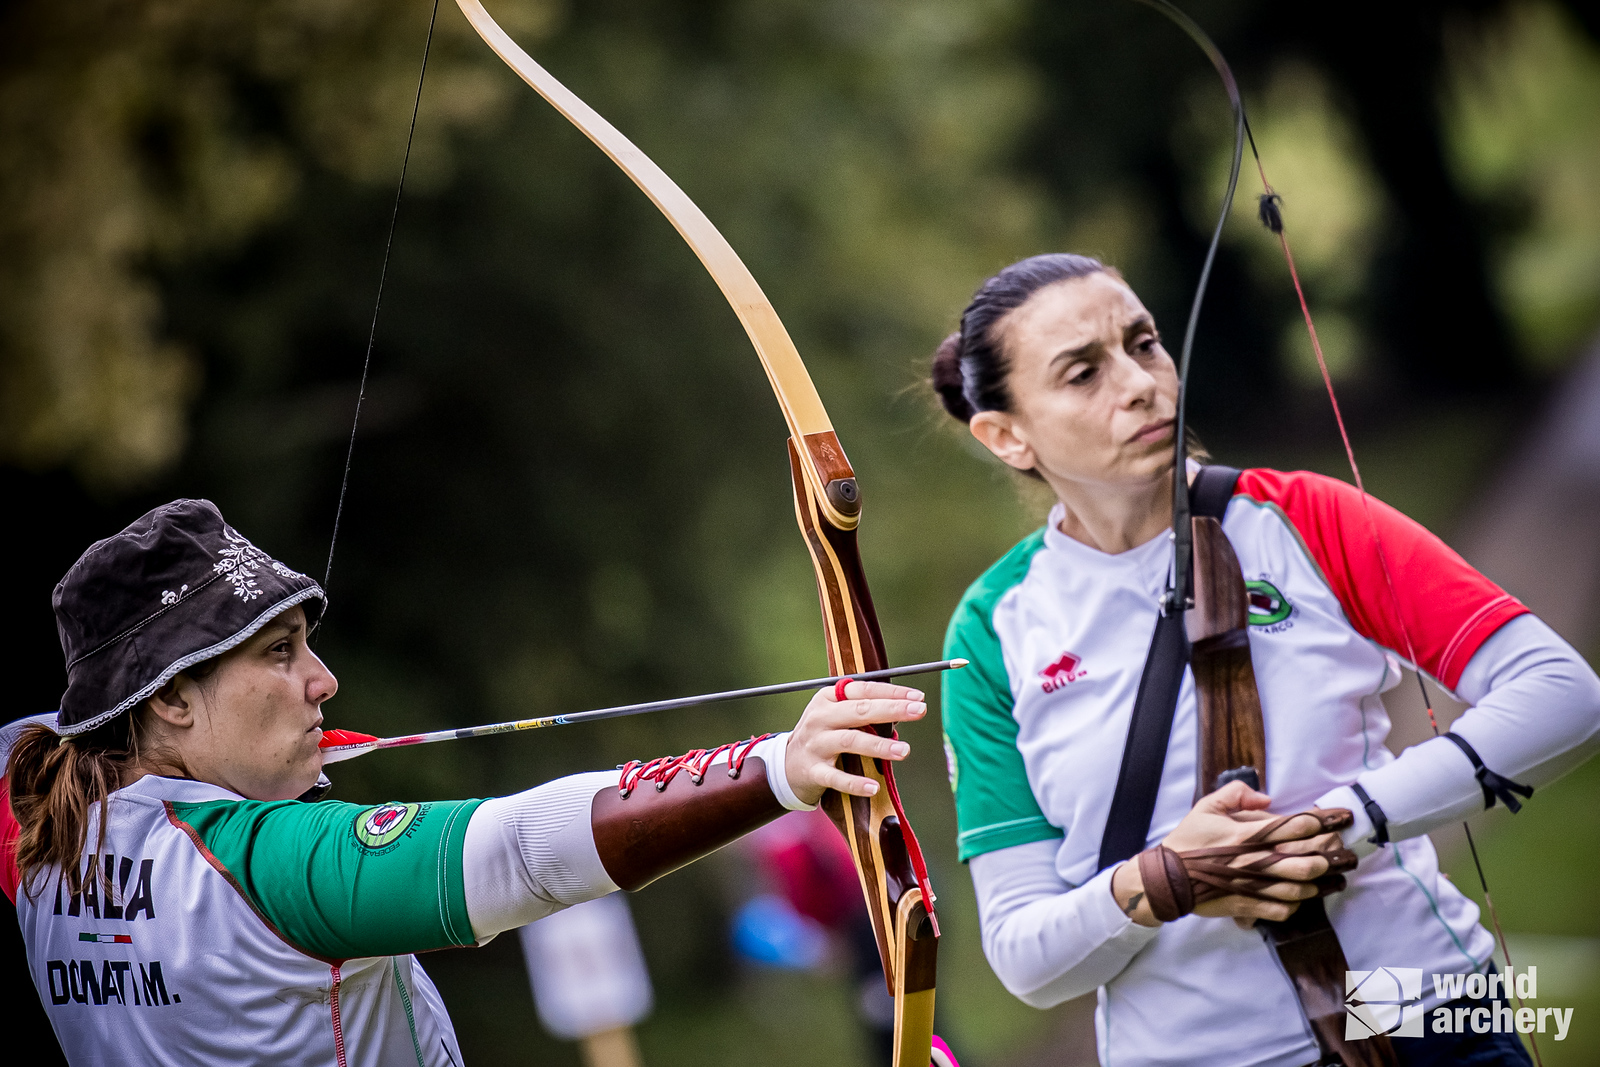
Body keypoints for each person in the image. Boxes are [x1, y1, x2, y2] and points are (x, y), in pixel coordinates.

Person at [930, 254, 1600, 1067]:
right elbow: (1024, 955)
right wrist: (1173, 877)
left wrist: (1341, 823)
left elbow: (1563, 693)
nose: (1139, 382)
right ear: (1006, 435)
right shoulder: (993, 629)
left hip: (1419, 1009)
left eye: (1143, 344)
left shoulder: (1300, 516)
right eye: (1082, 373)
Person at [1, 499, 927, 1066]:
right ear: (169, 703)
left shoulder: (40, 833)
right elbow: (523, 851)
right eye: (279, 654)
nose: (322, 681)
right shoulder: (267, 869)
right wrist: (780, 769)